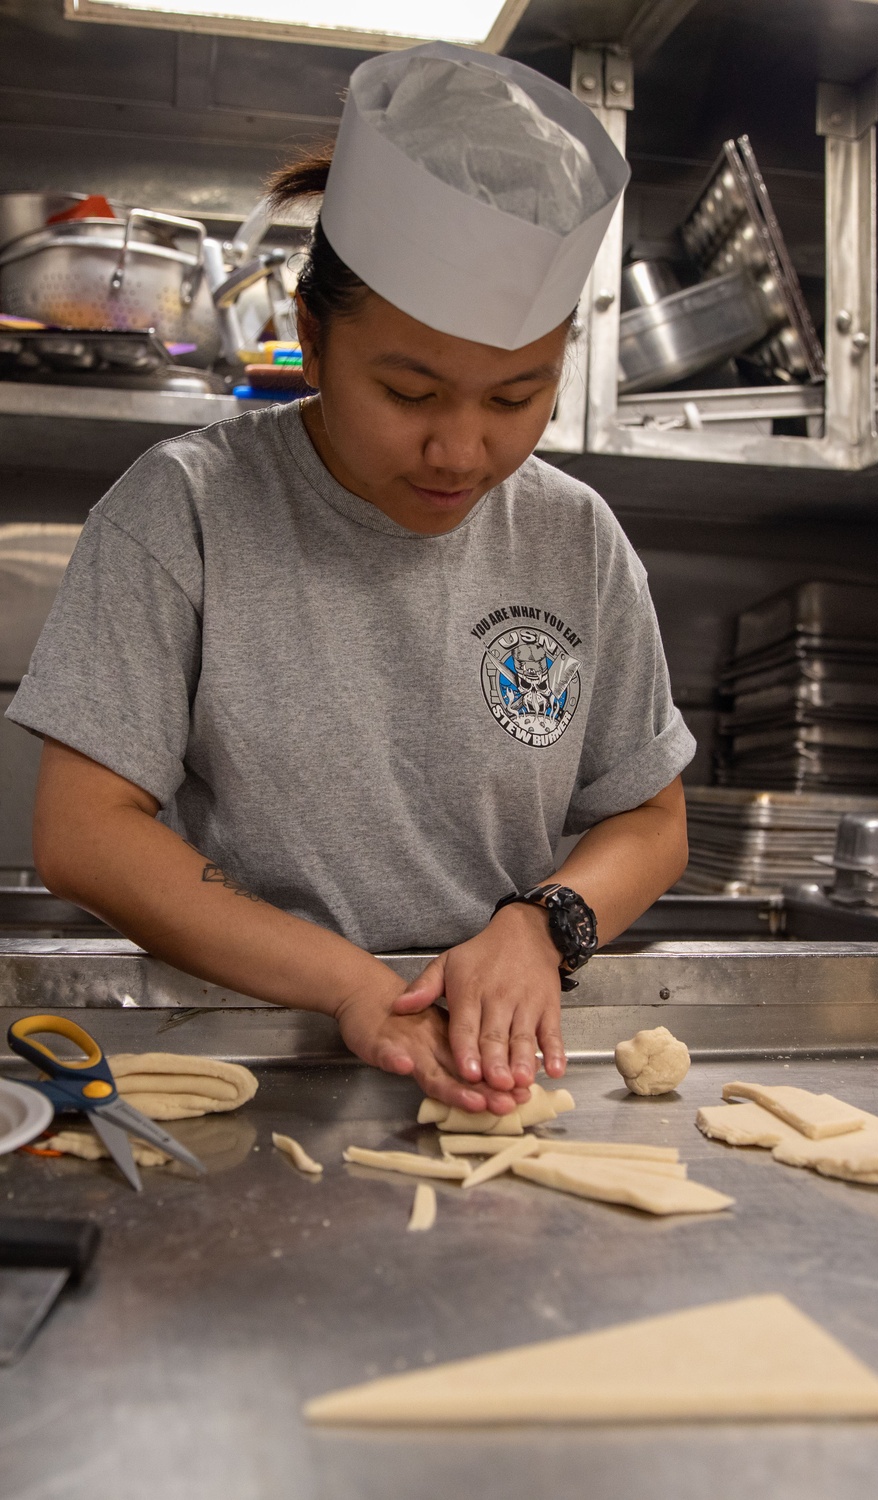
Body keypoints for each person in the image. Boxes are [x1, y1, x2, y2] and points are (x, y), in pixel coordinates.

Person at [7, 43, 694, 1118]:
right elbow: (83, 832)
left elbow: (652, 816)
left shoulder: (576, 539)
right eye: (411, 392)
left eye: (516, 398)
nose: (460, 451)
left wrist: (540, 922)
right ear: (313, 338)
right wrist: (353, 988)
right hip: (243, 1053)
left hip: (491, 1065)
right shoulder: (186, 509)